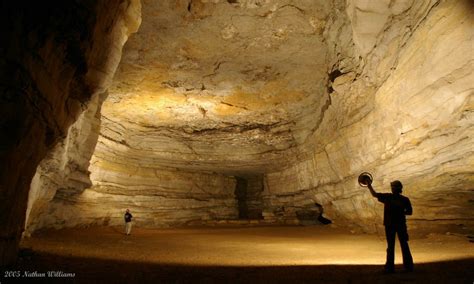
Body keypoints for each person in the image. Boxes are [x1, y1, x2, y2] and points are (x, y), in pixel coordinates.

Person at [367, 180, 414, 273]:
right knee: (404, 245)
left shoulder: (388, 197)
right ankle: (408, 267)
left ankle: (390, 267)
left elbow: (374, 194)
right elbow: (410, 212)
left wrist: (369, 185)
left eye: (393, 187)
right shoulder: (404, 199)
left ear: (396, 188)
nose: (393, 189)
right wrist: (401, 212)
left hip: (390, 225)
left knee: (391, 246)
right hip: (400, 225)